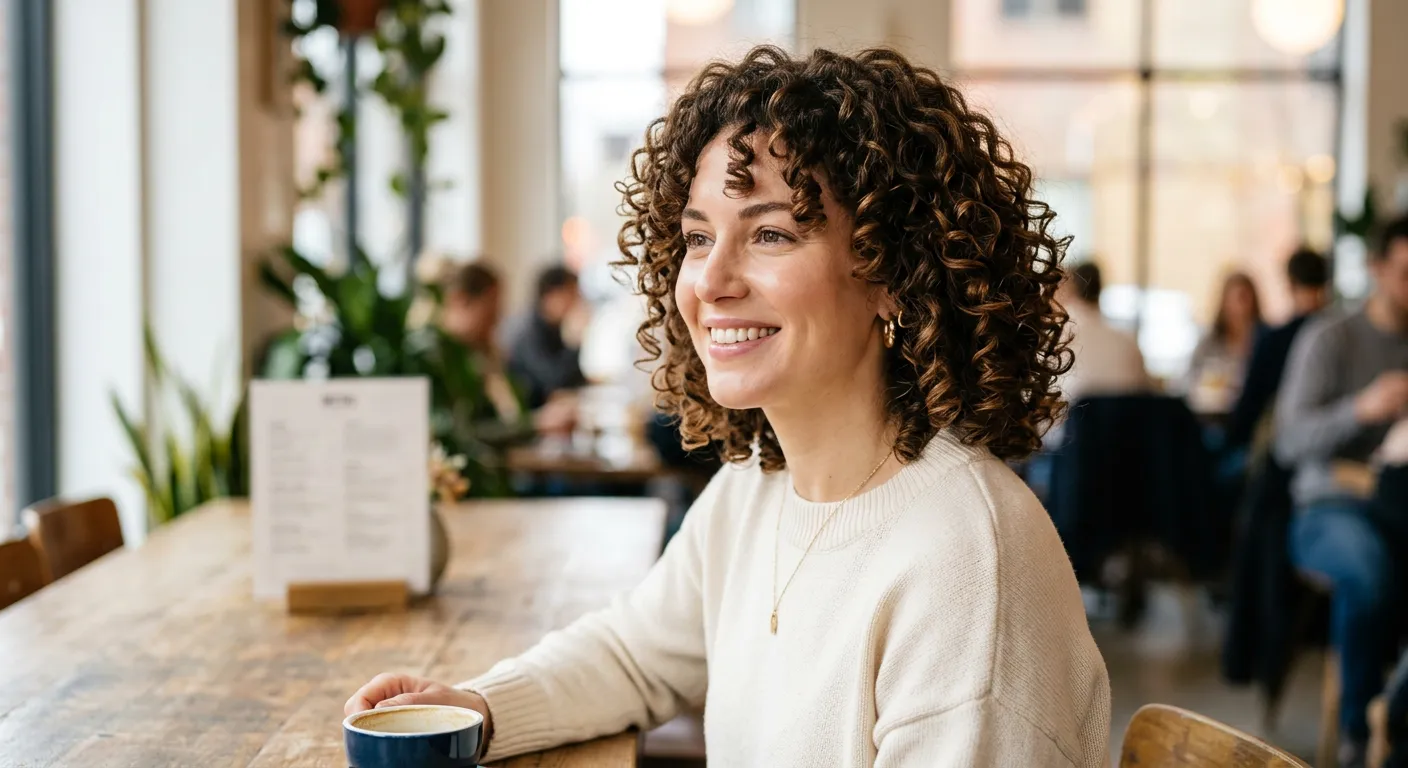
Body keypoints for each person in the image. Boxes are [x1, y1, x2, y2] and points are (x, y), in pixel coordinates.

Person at [347, 46, 1110, 766]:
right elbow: (634, 653)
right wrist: (479, 706)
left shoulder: (966, 562)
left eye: (771, 233)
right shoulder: (757, 484)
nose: (710, 281)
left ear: (893, 276)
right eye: (697, 236)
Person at [1275, 214, 1408, 768]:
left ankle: (1395, 714)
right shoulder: (1330, 337)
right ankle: (1359, 730)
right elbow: (1288, 441)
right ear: (1377, 269)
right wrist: (1361, 408)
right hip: (1329, 507)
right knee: (1369, 570)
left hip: (1398, 502)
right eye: (1405, 273)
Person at [1222, 248, 1331, 451]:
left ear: (1289, 285)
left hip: (1282, 446)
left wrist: (1231, 440)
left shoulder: (1275, 340)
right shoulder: (1342, 335)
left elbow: (1251, 403)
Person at [1058, 261, 1150, 406]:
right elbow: (1143, 389)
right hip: (1124, 425)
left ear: (1071, 289)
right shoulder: (1126, 340)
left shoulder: (1058, 338)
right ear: (1101, 287)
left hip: (1073, 425)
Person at [504, 265, 589, 410]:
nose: (577, 301)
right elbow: (553, 381)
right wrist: (575, 342)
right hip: (530, 419)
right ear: (550, 295)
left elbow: (573, 379)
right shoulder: (527, 331)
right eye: (572, 293)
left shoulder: (553, 328)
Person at [1186, 271, 1264, 409]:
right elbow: (1189, 378)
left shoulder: (1264, 341)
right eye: (1233, 299)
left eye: (1243, 298)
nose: (1239, 306)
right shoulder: (1210, 342)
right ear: (1224, 302)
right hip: (1211, 411)